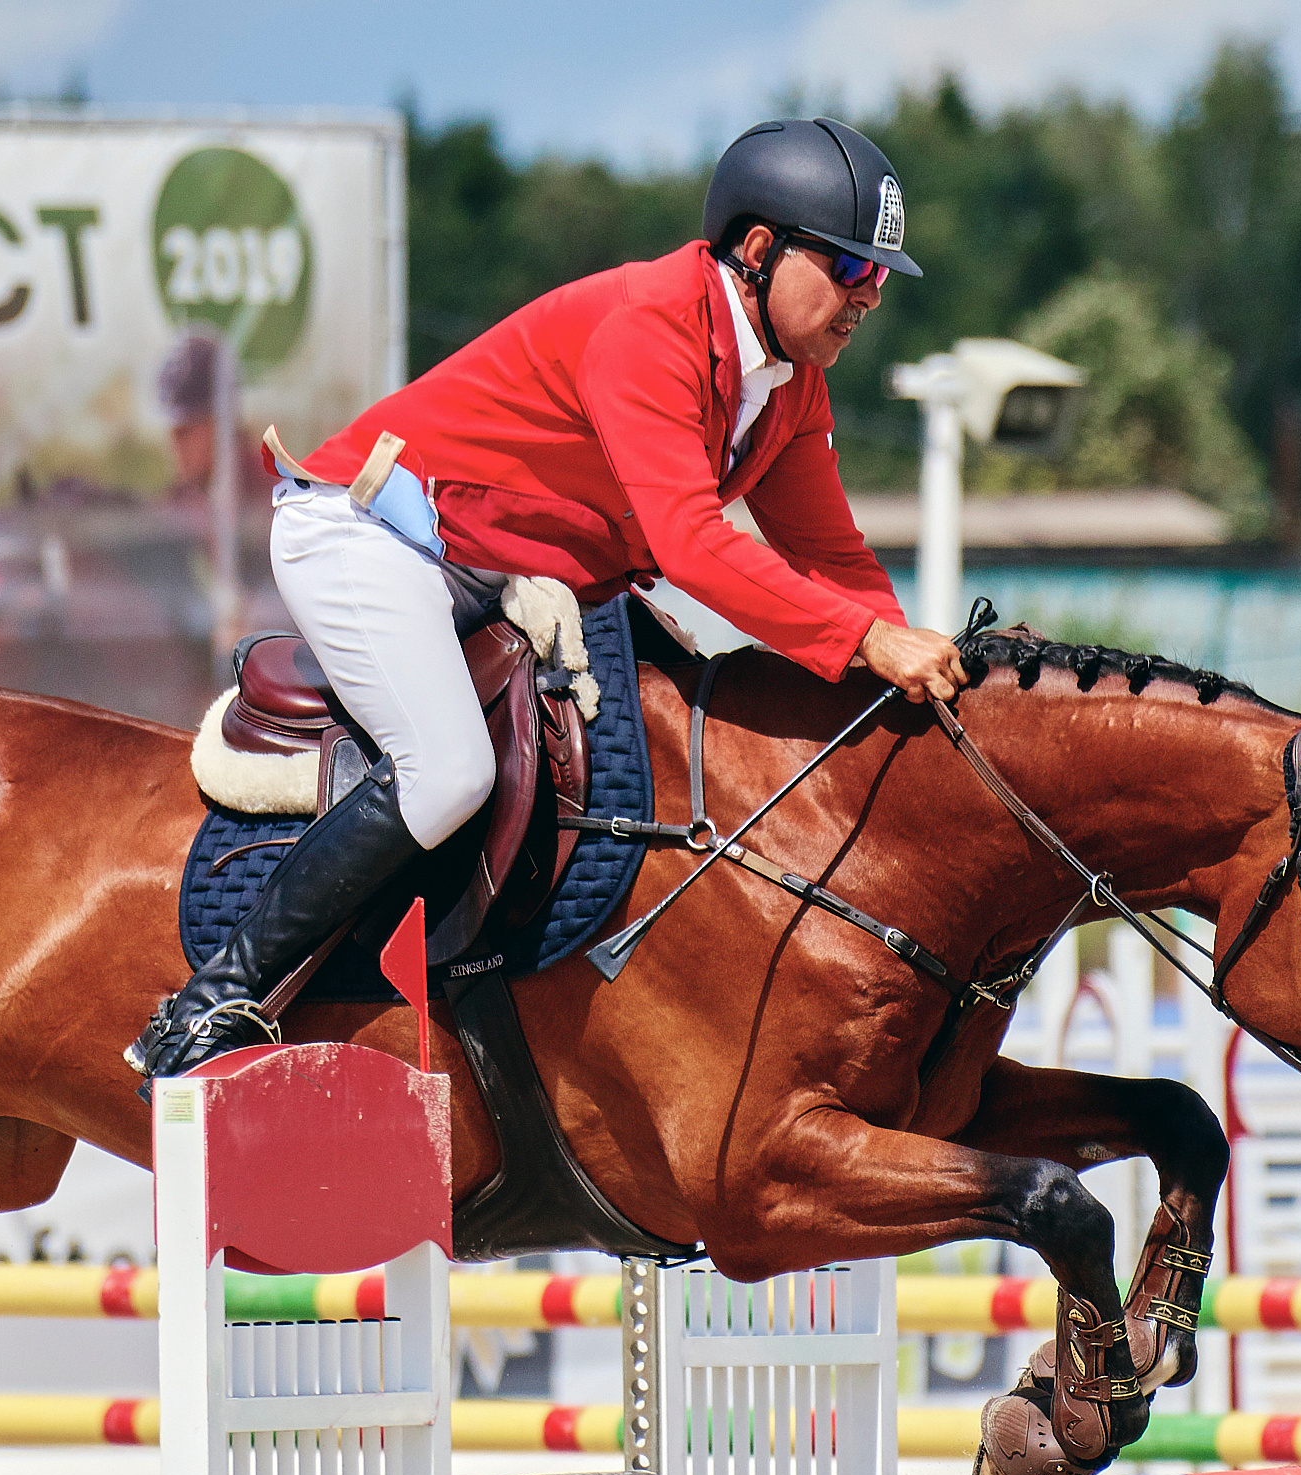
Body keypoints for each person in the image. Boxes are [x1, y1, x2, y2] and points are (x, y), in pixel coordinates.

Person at [127, 117, 973, 1084]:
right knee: (448, 772)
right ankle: (211, 1004)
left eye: (878, 279)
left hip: (484, 571)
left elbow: (829, 553)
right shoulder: (651, 325)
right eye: (850, 269)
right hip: (368, 535)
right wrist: (867, 639)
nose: (866, 297)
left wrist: (910, 652)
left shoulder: (788, 386)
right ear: (758, 249)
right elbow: (693, 545)